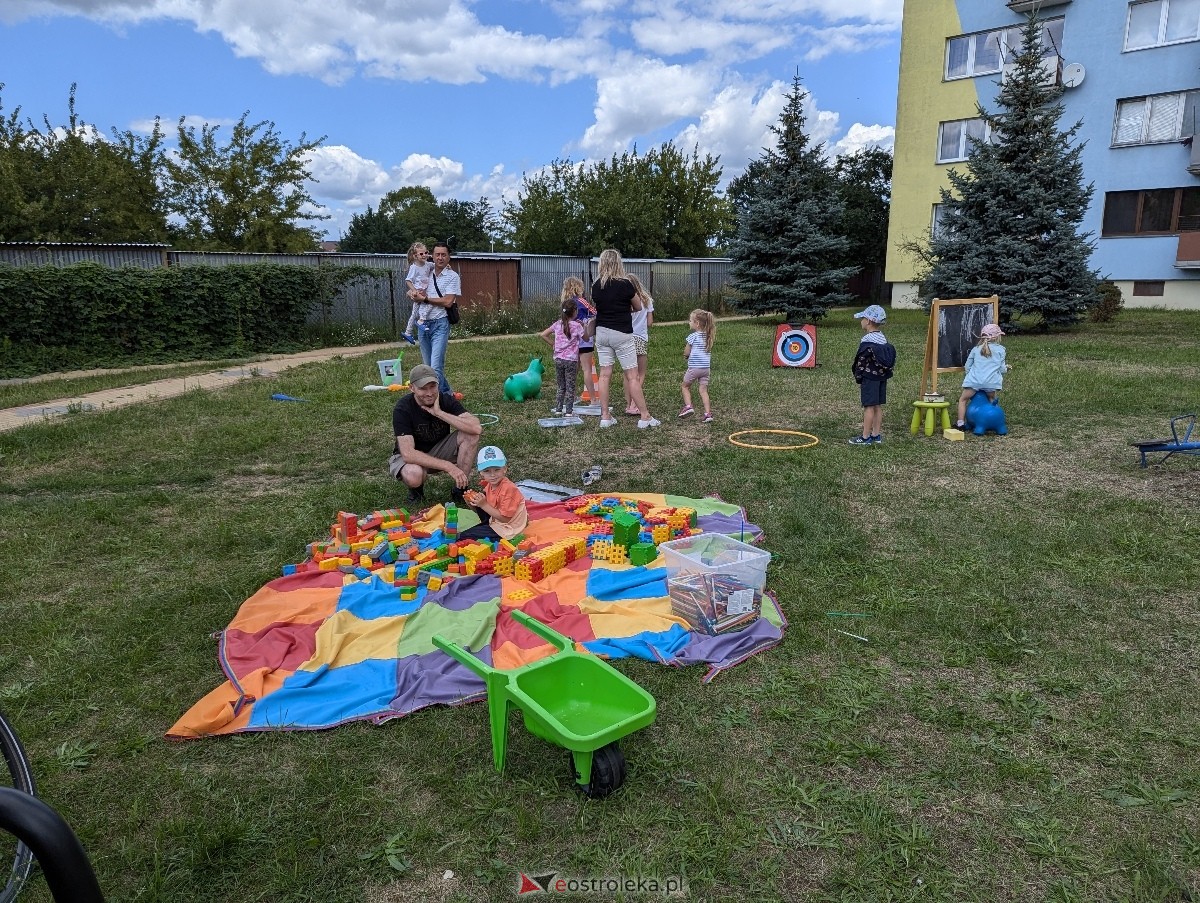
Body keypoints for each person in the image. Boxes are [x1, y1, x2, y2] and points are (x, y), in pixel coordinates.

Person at [389, 363, 481, 505]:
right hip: (410, 457)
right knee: (414, 474)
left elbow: (476, 428)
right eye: (423, 388)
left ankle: (460, 488)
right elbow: (408, 453)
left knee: (470, 435)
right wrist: (448, 466)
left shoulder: (445, 399)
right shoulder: (403, 408)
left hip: (439, 449)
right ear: (411, 388)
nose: (429, 393)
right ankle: (417, 492)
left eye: (433, 386)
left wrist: (440, 413)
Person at [590, 248, 658, 429]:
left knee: (604, 375)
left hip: (602, 332)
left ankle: (605, 416)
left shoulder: (596, 285)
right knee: (632, 376)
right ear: (618, 263)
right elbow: (637, 306)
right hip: (622, 333)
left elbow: (599, 307)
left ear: (602, 263)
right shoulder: (626, 284)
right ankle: (645, 416)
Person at [458, 445, 529, 543]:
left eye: (497, 469)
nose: (492, 475)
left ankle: (495, 537)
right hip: (496, 520)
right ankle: (486, 527)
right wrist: (471, 502)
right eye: (487, 471)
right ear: (481, 473)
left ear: (504, 469)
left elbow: (505, 519)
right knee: (480, 501)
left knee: (465, 536)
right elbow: (483, 509)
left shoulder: (508, 489)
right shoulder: (490, 486)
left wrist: (483, 504)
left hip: (509, 528)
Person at [849, 304, 896, 446]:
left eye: (862, 318)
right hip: (881, 378)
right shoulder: (882, 338)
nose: (861, 321)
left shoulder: (867, 341)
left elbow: (861, 361)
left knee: (869, 406)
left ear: (868, 321)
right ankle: (876, 435)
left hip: (869, 378)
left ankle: (865, 437)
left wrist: (859, 375)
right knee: (877, 406)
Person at [416, 241, 459, 394]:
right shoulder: (424, 271)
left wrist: (426, 299)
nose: (440, 258)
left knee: (435, 366)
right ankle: (447, 392)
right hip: (423, 324)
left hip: (440, 324)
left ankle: (437, 401)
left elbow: (448, 301)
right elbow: (411, 290)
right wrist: (413, 295)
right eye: (437, 254)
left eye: (443, 254)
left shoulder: (453, 276)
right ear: (431, 256)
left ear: (449, 257)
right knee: (428, 367)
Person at [955, 323, 1009, 430]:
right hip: (991, 383)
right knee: (992, 400)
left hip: (974, 381)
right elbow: (1002, 369)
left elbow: (967, 366)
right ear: (997, 337)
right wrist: (1007, 368)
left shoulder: (976, 349)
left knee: (963, 400)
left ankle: (960, 423)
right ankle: (995, 419)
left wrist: (970, 375)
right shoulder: (1001, 350)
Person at [539, 294, 585, 415]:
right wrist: (585, 326)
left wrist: (553, 344)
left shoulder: (557, 324)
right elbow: (585, 338)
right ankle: (569, 411)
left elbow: (543, 334)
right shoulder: (577, 326)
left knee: (561, 386)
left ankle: (558, 409)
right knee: (570, 386)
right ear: (574, 311)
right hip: (571, 361)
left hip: (558, 359)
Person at [624, 273, 655, 416]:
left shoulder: (624, 300)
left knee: (628, 375)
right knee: (640, 374)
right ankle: (634, 404)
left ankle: (628, 403)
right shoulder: (647, 300)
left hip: (625, 338)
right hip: (640, 339)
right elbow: (650, 323)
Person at [565, 277, 597, 404]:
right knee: (587, 369)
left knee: (574, 369)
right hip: (584, 340)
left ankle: (570, 397)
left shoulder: (565, 304)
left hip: (570, 340)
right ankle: (594, 400)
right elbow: (595, 313)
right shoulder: (581, 301)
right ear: (578, 287)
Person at [680, 309, 715, 423]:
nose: (689, 322)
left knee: (685, 386)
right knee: (703, 390)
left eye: (690, 320)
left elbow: (686, 352)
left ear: (697, 323)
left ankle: (689, 407)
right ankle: (708, 414)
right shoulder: (709, 336)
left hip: (695, 368)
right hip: (706, 369)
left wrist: (685, 355)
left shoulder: (693, 336)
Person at [402, 242, 434, 341]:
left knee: (414, 313)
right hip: (419, 293)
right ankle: (421, 321)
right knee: (430, 304)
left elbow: (437, 265)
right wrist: (414, 290)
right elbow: (408, 280)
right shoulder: (414, 267)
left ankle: (408, 332)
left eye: (426, 252)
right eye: (421, 254)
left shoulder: (428, 265)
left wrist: (447, 266)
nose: (424, 255)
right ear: (415, 256)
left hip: (424, 291)